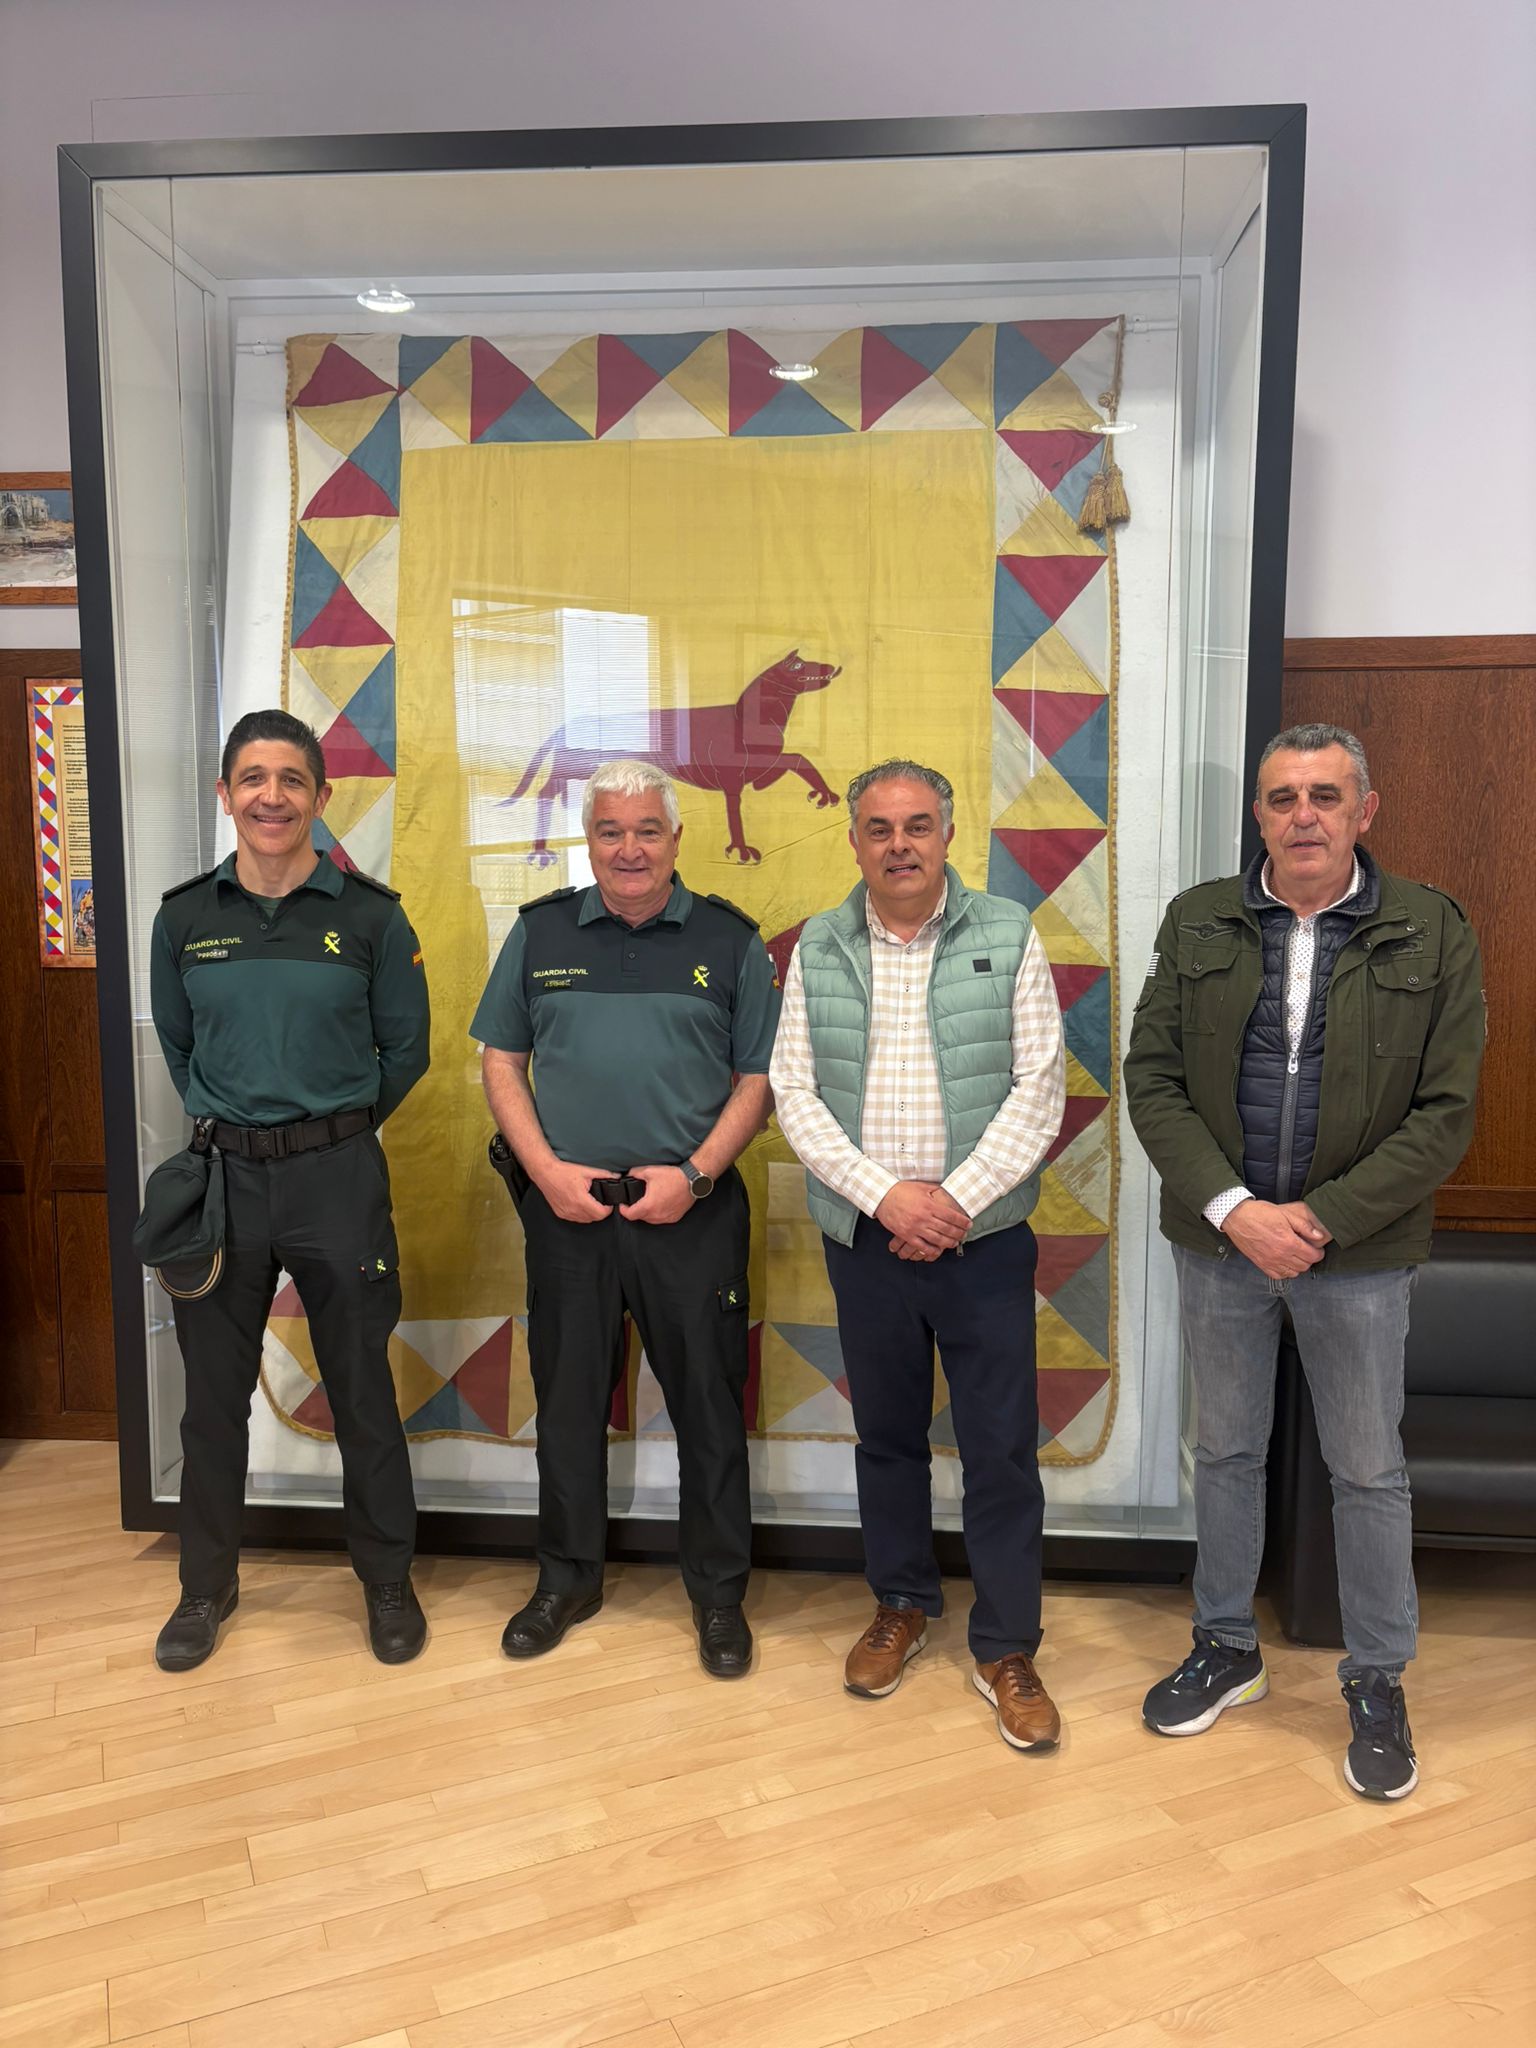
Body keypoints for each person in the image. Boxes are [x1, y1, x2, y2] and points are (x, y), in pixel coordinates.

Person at [1125, 723, 1484, 1799]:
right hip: (1221, 1242)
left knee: (1367, 1470)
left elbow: (1445, 1114)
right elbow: (1152, 1078)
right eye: (1283, 798)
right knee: (1226, 1450)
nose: (1304, 816)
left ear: (1365, 811)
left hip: (1360, 1254)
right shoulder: (1200, 918)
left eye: (1326, 795)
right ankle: (1225, 1646)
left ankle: (1376, 1678)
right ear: (1260, 814)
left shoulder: (1431, 927)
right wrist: (1238, 1210)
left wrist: (1317, 1220)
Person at [770, 760, 1067, 1751]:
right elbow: (794, 1091)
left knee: (1000, 1448)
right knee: (888, 1437)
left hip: (984, 1241)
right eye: (879, 827)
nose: (899, 844)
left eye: (918, 825)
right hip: (868, 1238)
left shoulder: (1008, 932)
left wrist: (954, 1202)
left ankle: (1006, 1645)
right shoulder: (819, 943)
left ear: (947, 834)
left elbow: (1040, 1086)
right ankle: (900, 1603)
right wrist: (887, 1197)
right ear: (855, 839)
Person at [472, 760, 779, 1677]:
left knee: (710, 1410)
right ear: (590, 838)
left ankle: (718, 1596)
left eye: (648, 831)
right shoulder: (540, 933)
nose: (630, 849)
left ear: (677, 839)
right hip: (568, 1212)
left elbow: (759, 1079)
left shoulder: (729, 939)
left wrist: (694, 1175)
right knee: (567, 1407)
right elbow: (500, 1062)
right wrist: (545, 1174)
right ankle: (566, 1581)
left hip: (692, 1213)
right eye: (611, 831)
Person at [148, 709, 432, 1672]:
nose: (271, 796)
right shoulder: (184, 918)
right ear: (226, 795)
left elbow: (407, 1051)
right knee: (211, 1402)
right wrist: (234, 1122)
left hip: (337, 1180)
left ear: (320, 796)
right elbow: (180, 1047)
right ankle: (204, 1587)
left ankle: (386, 1580)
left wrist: (330, 1129)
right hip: (221, 1183)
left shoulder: (372, 918)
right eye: (252, 779)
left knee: (361, 1390)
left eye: (291, 779)